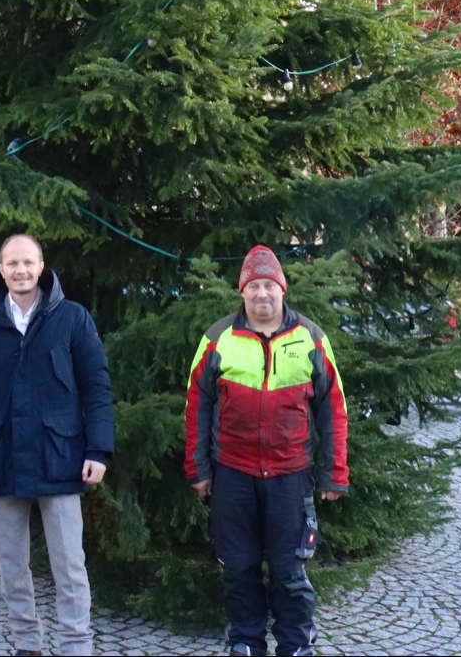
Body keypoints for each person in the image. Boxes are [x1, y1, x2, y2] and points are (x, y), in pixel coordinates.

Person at [0, 234, 114, 657]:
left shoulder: (72, 318)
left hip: (61, 458)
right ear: (1, 270)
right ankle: (26, 644)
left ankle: (76, 646)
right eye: (12, 263)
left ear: (41, 267)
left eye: (28, 262)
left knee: (69, 566)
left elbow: (96, 387)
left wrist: (98, 450)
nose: (21, 270)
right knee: (12, 567)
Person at [184, 245, 349, 657]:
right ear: (242, 291)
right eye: (254, 286)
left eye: (269, 286)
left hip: (291, 476)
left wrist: (335, 472)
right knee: (238, 569)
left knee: (289, 570)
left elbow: (333, 409)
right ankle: (245, 643)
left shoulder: (311, 338)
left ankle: (296, 646)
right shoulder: (217, 338)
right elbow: (196, 406)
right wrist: (198, 468)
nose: (262, 294)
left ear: (282, 290)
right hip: (232, 475)